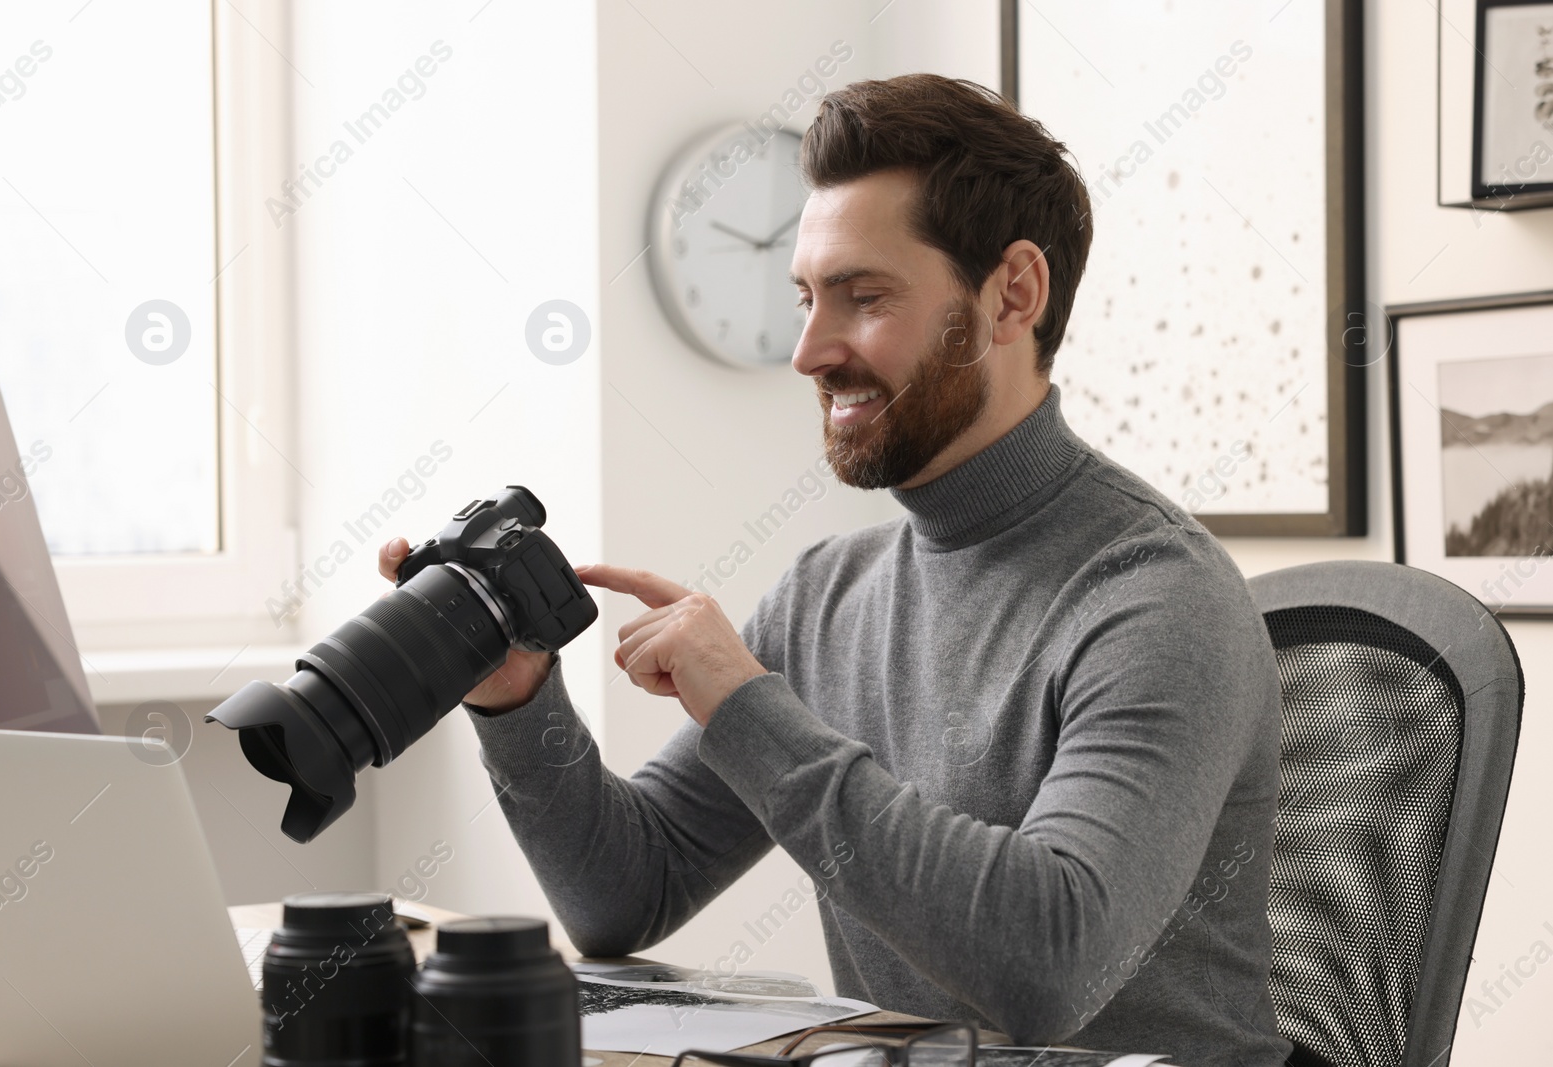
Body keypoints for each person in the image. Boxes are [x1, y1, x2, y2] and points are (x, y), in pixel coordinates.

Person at [380, 74, 1291, 1067]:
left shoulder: (1157, 597)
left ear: (1011, 295)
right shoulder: (829, 592)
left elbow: (1048, 964)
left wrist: (747, 706)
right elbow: (622, 893)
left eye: (863, 297)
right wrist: (517, 697)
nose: (809, 351)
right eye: (807, 298)